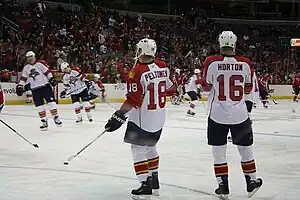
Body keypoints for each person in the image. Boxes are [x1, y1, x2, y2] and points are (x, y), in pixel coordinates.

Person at [104, 38, 173, 200]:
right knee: (151, 147)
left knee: (137, 149)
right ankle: (154, 180)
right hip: (159, 117)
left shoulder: (136, 72)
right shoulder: (163, 67)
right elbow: (171, 90)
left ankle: (144, 184)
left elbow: (133, 100)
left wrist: (118, 115)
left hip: (143, 119)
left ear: (141, 51)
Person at [202, 31, 263, 199]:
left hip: (217, 115)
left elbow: (206, 88)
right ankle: (251, 182)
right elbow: (249, 88)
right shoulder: (245, 63)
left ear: (220, 43)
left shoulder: (211, 61)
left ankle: (223, 186)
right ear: (235, 43)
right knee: (246, 151)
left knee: (218, 152)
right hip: (240, 115)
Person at [16, 51, 62, 130]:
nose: (30, 58)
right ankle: (44, 122)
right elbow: (23, 78)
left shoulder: (40, 64)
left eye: (31, 56)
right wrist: (20, 85)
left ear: (34, 56)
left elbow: (47, 72)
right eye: (28, 57)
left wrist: (51, 79)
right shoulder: (26, 68)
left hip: (45, 87)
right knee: (39, 107)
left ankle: (56, 118)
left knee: (52, 103)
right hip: (35, 90)